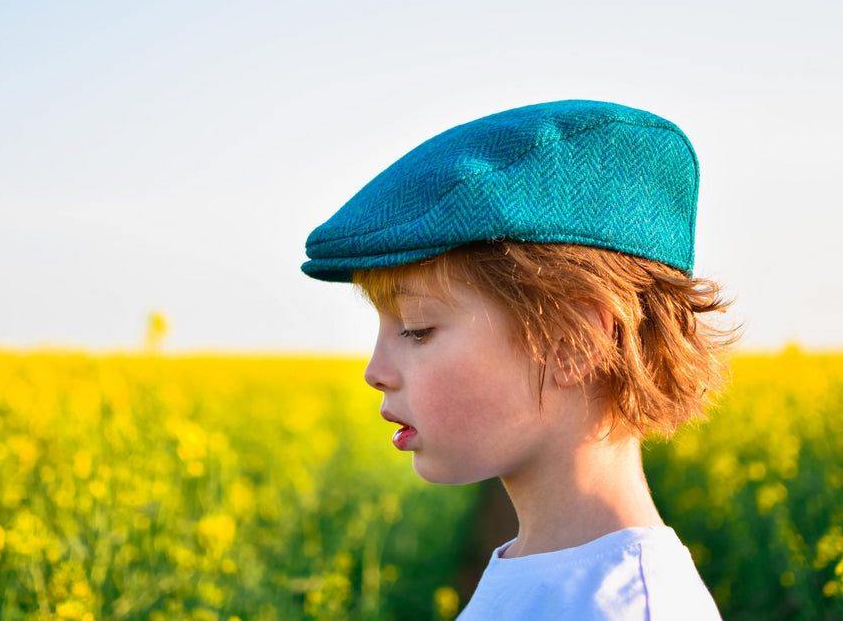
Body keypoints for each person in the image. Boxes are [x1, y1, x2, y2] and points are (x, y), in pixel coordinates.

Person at [301, 100, 734, 619]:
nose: (376, 372)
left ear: (574, 342)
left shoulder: (629, 609)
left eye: (416, 330)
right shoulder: (540, 571)